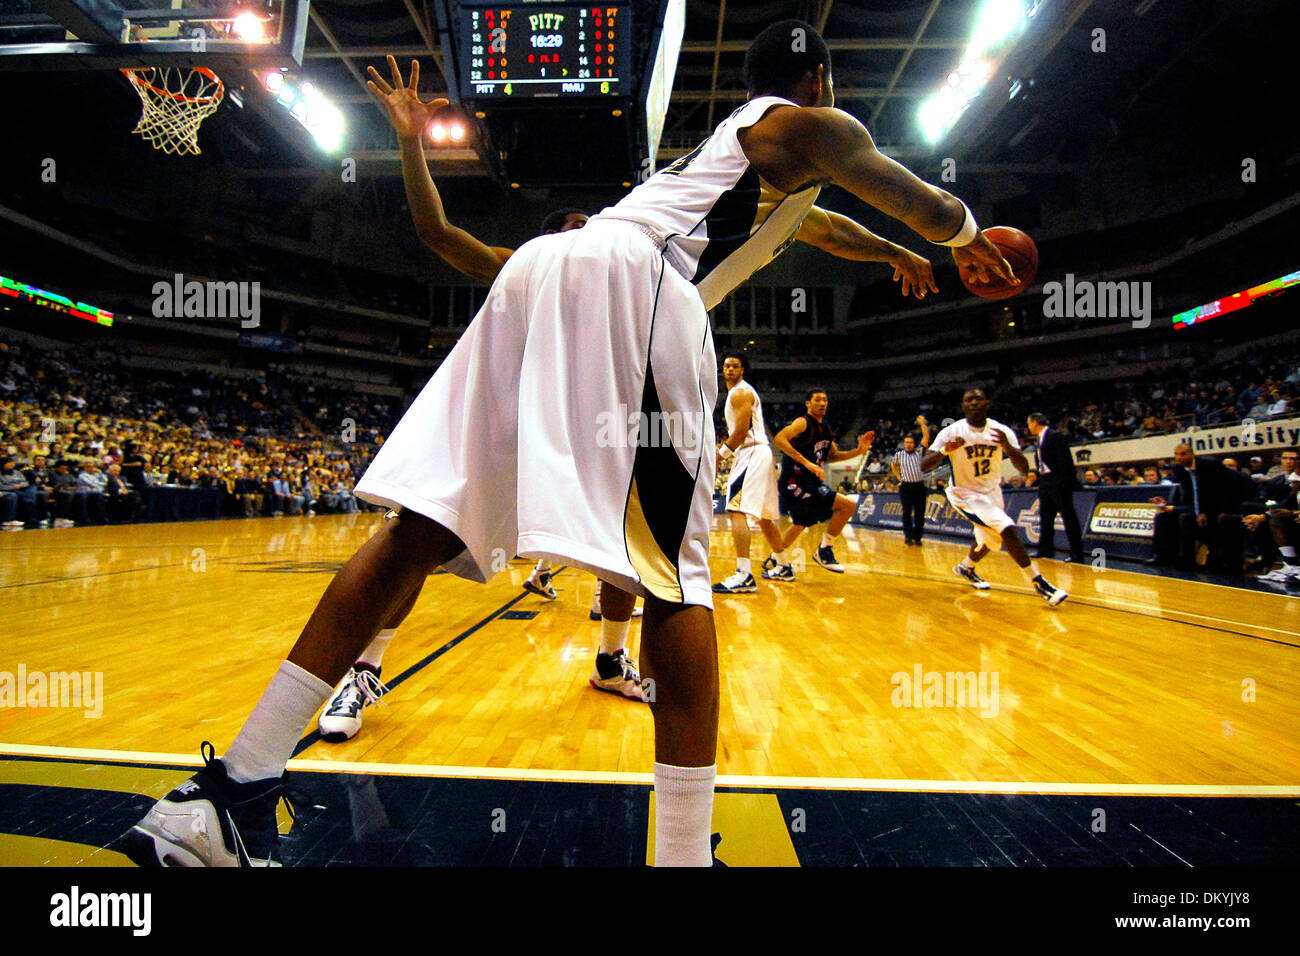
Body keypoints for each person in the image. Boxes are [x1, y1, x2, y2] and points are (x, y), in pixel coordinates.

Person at [123, 19, 1012, 868]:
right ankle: (678, 852)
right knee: (676, 577)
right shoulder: (811, 124)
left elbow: (831, 224)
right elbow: (918, 196)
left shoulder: (743, 166)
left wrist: (906, 257)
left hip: (549, 269)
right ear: (819, 80)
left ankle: (229, 791)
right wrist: (965, 241)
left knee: (419, 527)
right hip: (641, 283)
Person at [316, 60, 644, 745]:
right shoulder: (517, 264)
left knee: (630, 545)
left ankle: (613, 659)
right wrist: (410, 142)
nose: (591, 236)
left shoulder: (620, 289)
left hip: (580, 435)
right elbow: (436, 232)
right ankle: (362, 670)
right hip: (501, 433)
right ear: (549, 239)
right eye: (577, 225)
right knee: (411, 547)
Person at [921, 390, 1067, 606]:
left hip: (992, 491)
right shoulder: (952, 431)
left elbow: (1024, 468)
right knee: (1006, 529)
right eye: (969, 400)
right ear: (963, 405)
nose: (974, 403)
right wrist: (944, 451)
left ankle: (966, 567)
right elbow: (923, 466)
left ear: (987, 403)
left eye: (978, 399)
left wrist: (1007, 447)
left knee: (990, 538)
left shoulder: (1002, 431)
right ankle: (1039, 583)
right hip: (964, 493)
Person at [768, 390, 874, 574]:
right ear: (808, 403)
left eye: (825, 400)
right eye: (817, 400)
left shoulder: (826, 429)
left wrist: (858, 451)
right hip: (794, 482)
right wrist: (807, 463)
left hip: (811, 483)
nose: (822, 403)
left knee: (801, 523)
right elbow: (779, 439)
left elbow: (832, 456)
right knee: (847, 506)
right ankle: (824, 551)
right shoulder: (802, 423)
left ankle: (774, 559)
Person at [712, 354, 791, 593]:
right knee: (764, 517)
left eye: (735, 366)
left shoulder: (741, 393)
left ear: (743, 370)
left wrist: (719, 456)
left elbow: (741, 432)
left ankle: (744, 574)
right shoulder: (738, 393)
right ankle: (784, 565)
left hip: (752, 452)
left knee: (735, 509)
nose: (730, 369)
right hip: (759, 452)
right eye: (727, 365)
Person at [1026, 413, 1084, 562]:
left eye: (1029, 424)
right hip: (1045, 482)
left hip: (1058, 482)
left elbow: (1066, 461)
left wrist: (1064, 481)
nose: (1028, 427)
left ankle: (1077, 553)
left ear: (1035, 422)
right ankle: (1045, 549)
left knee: (1068, 517)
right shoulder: (1039, 440)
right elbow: (1042, 463)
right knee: (1045, 517)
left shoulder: (1055, 436)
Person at [890, 417, 931, 545]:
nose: (909, 444)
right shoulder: (899, 454)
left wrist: (923, 424)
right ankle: (908, 536)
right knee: (906, 513)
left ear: (914, 444)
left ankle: (917, 537)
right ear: (904, 443)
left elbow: (926, 438)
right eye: (906, 442)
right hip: (906, 486)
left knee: (920, 513)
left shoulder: (919, 452)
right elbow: (893, 465)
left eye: (911, 442)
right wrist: (898, 477)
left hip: (919, 486)